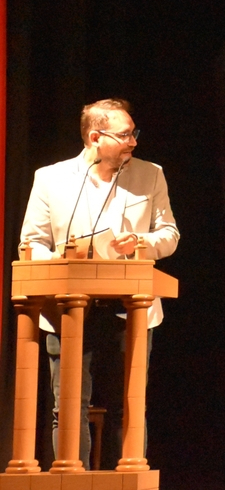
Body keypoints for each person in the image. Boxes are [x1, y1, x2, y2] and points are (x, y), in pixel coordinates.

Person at [20, 98, 180, 468]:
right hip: (69, 308)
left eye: (134, 133)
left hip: (131, 308)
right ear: (95, 137)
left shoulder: (150, 174)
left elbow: (169, 234)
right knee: (68, 407)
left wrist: (140, 242)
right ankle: (72, 481)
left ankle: (126, 482)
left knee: (129, 407)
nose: (133, 141)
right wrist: (63, 263)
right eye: (124, 135)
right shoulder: (51, 178)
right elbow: (32, 243)